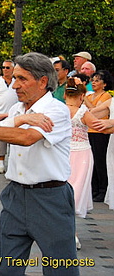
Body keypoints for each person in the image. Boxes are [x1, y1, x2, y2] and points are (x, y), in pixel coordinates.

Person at [0, 52, 79, 276]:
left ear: (42, 82)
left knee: (60, 270)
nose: (14, 86)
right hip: (14, 196)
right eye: (14, 79)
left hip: (50, 199)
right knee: (8, 269)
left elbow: (27, 138)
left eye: (22, 79)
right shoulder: (17, 110)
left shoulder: (56, 110)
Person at [64, 77, 100, 250]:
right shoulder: (83, 111)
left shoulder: (61, 110)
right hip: (82, 154)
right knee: (76, 193)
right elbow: (99, 125)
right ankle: (72, 233)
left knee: (64, 191)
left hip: (64, 153)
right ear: (81, 95)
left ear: (65, 95)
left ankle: (69, 232)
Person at [83, 70, 113, 202]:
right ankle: (95, 189)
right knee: (93, 161)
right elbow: (91, 112)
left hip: (102, 132)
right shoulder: (90, 96)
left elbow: (95, 110)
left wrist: (84, 99)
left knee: (101, 161)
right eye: (93, 80)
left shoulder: (106, 97)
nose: (93, 83)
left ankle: (103, 188)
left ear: (104, 84)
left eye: (97, 80)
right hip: (90, 131)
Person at [0, 60, 18, 174]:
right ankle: (1, 164)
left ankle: (13, 165)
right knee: (0, 142)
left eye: (7, 67)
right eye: (3, 67)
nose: (5, 70)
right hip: (0, 114)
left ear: (13, 69)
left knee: (15, 141)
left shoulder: (17, 81)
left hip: (15, 115)